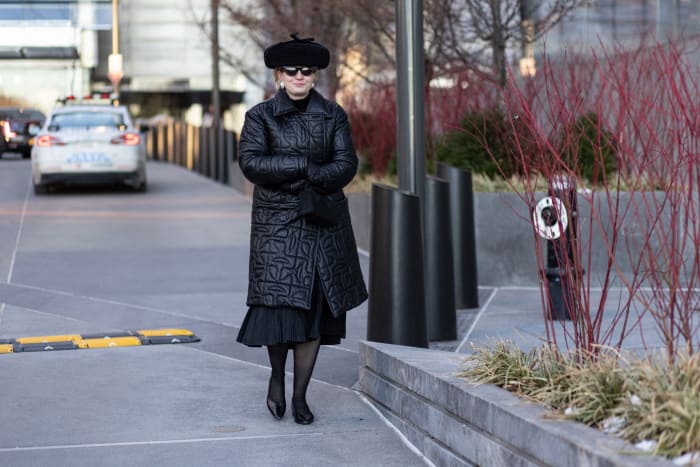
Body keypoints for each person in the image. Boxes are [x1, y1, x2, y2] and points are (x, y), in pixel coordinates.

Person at [236, 33, 368, 425]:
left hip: (321, 225)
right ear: (279, 74)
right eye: (290, 70)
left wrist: (307, 175)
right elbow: (251, 164)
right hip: (275, 228)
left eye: (306, 70)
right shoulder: (259, 116)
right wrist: (304, 169)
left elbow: (346, 166)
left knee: (312, 313)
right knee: (279, 313)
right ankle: (277, 378)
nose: (298, 75)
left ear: (314, 76)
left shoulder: (332, 115)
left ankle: (300, 396)